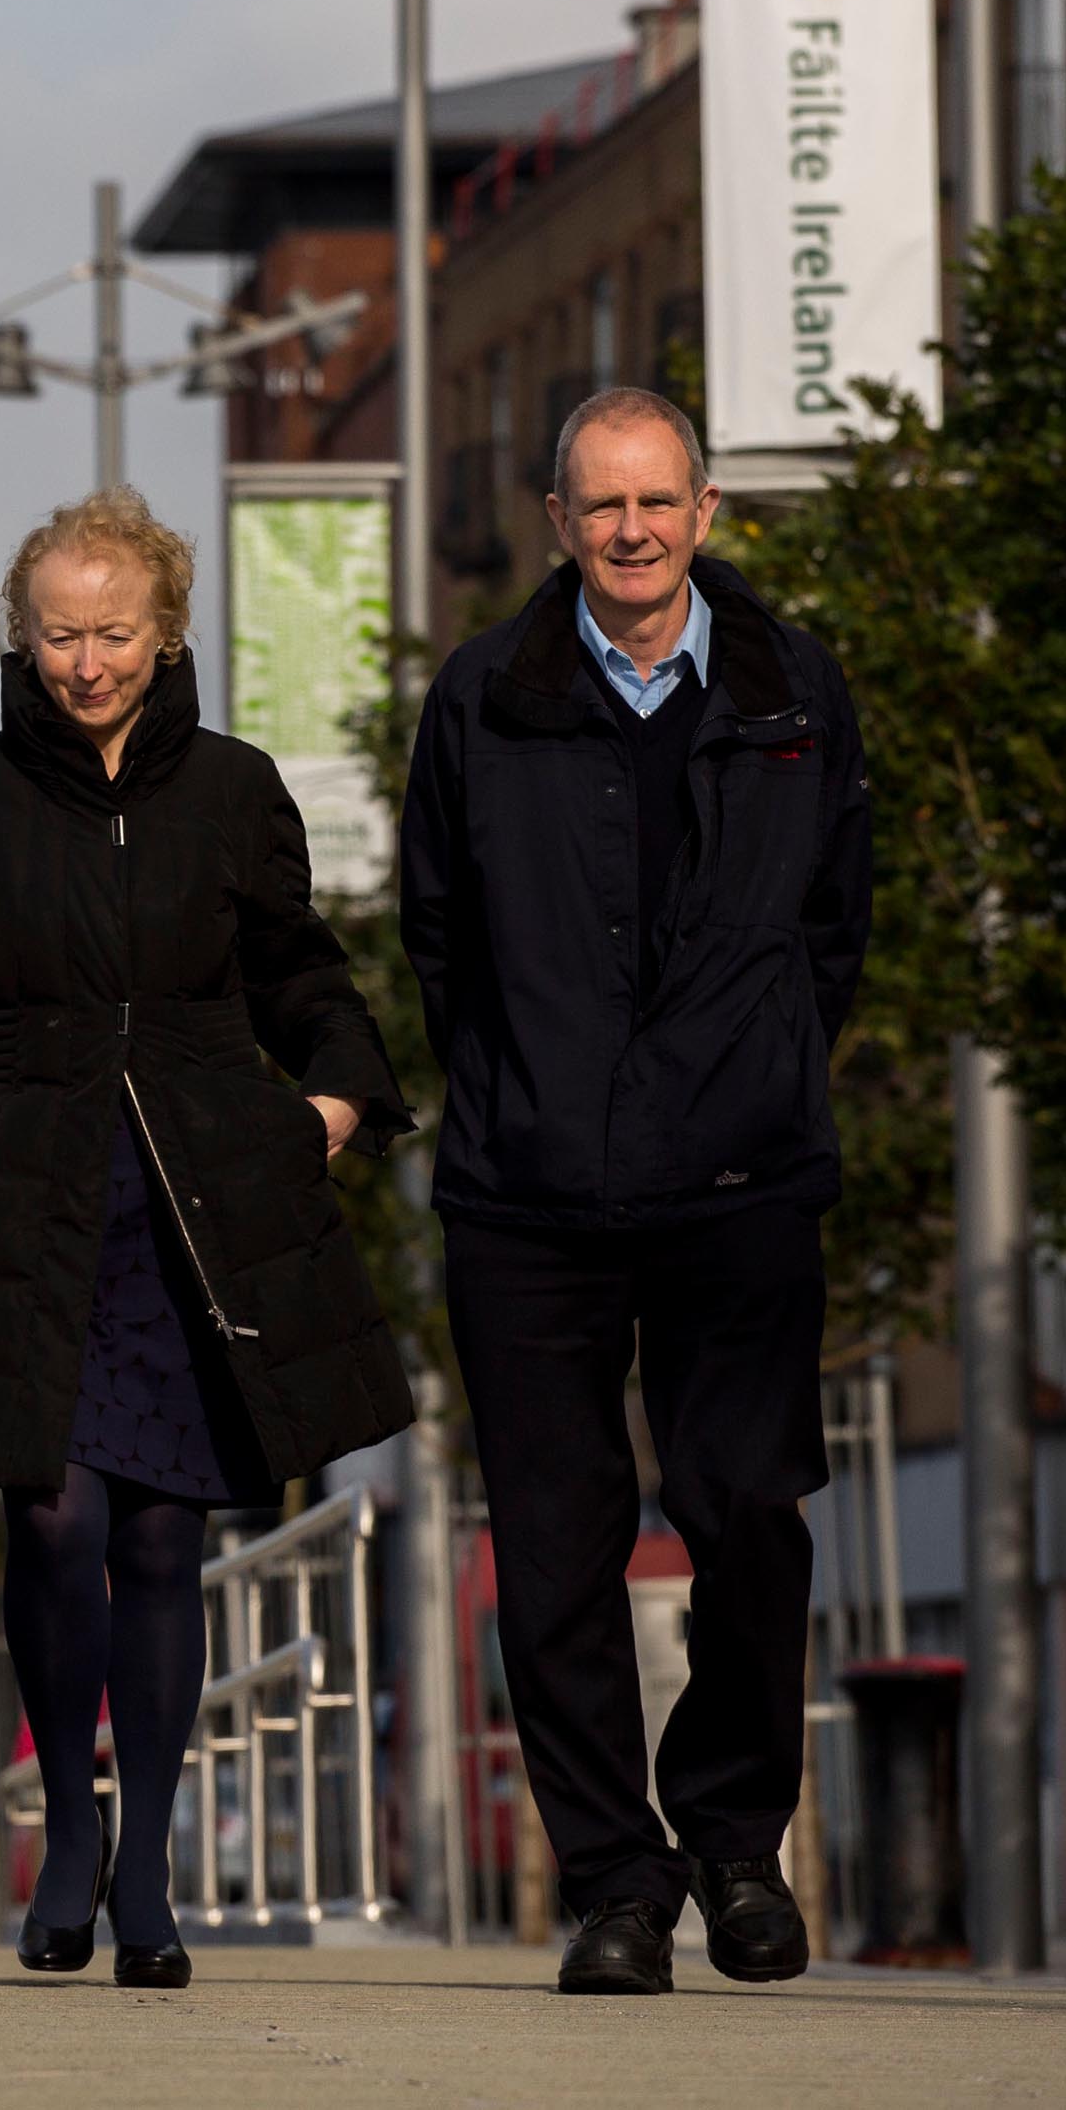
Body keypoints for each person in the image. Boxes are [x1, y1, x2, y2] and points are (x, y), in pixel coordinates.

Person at [0, 488, 414, 1988]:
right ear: (20, 639)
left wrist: (338, 1103)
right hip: (27, 1192)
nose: (85, 661)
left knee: (165, 1533)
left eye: (112, 633)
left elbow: (300, 969)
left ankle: (150, 1853)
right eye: (58, 635)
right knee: (52, 1518)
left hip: (198, 1195)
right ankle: (76, 1828)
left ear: (165, 634)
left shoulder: (235, 789)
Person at [398, 385, 871, 1995]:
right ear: (558, 523)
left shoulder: (797, 687)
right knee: (553, 1547)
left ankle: (740, 1849)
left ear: (708, 511)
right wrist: (534, 1081)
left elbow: (836, 921)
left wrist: (767, 1060)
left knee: (746, 1512)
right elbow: (438, 934)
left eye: (658, 501)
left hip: (742, 1178)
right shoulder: (482, 697)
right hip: (531, 1193)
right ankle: (615, 1881)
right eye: (601, 505)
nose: (632, 530)